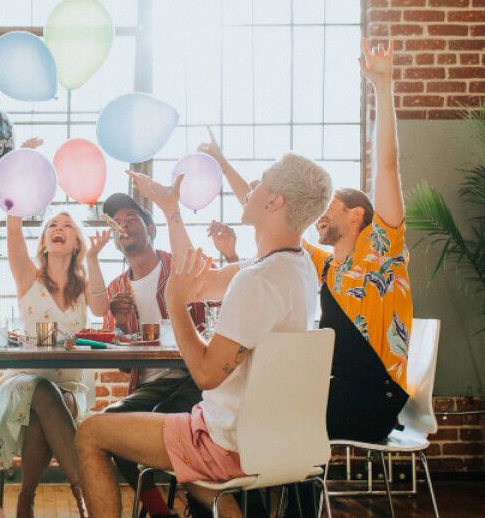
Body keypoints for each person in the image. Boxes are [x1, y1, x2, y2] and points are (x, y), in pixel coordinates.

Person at [76, 153, 331, 518]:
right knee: (184, 456)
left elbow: (206, 375)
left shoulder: (256, 281)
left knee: (90, 432)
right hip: (268, 436)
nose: (252, 186)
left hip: (224, 441)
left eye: (261, 181)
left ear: (275, 202)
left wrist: (173, 303)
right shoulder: (296, 266)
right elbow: (197, 282)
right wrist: (170, 209)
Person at [200, 38, 413, 444]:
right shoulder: (325, 264)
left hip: (371, 402)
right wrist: (223, 163)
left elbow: (387, 166)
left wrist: (382, 87)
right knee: (251, 406)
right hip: (336, 391)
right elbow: (266, 207)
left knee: (256, 412)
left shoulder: (384, 251)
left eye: (328, 206)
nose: (317, 215)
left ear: (357, 215)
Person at [83, 192, 210, 518]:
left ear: (151, 228)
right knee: (113, 424)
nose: (123, 226)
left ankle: (202, 505)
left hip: (195, 379)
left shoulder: (179, 267)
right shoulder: (115, 290)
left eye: (131, 219)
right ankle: (158, 510)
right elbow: (125, 368)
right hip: (149, 385)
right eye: (117, 224)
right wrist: (124, 327)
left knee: (165, 415)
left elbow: (212, 316)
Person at [0, 211, 97, 517]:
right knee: (43, 390)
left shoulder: (83, 287)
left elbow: (104, 307)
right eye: (52, 224)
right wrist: (15, 208)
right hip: (22, 382)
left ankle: (26, 497)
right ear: (43, 241)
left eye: (67, 225)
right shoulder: (29, 278)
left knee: (50, 403)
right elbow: (14, 237)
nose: (58, 228)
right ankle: (85, 493)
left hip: (70, 388)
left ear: (77, 242)